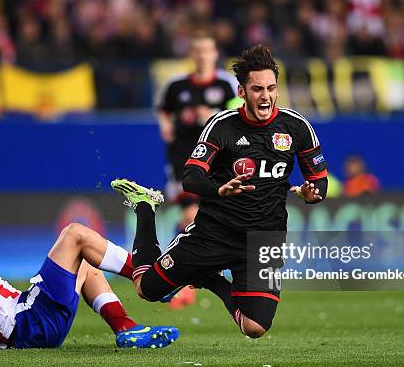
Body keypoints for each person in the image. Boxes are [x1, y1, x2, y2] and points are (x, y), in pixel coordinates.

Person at [113, 45, 328, 338]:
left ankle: (210, 281)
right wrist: (219, 189)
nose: (265, 96)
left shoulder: (296, 127)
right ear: (241, 91)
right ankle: (145, 206)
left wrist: (311, 193)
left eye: (271, 88)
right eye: (257, 89)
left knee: (255, 328)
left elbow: (320, 180)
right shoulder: (222, 126)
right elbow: (191, 178)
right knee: (146, 289)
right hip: (213, 234)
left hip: (264, 239)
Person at [0, 187, 178, 351]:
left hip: (25, 327)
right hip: (28, 323)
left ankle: (126, 328)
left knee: (86, 265)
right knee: (75, 234)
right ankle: (150, 277)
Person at [156, 33, 238, 200]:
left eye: (207, 50)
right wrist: (165, 125)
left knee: (211, 208)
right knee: (187, 211)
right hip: (182, 154)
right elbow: (164, 109)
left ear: (215, 53)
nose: (202, 56)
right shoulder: (176, 85)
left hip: (217, 157)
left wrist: (212, 115)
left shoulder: (227, 84)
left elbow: (237, 114)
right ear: (191, 54)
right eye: (198, 51)